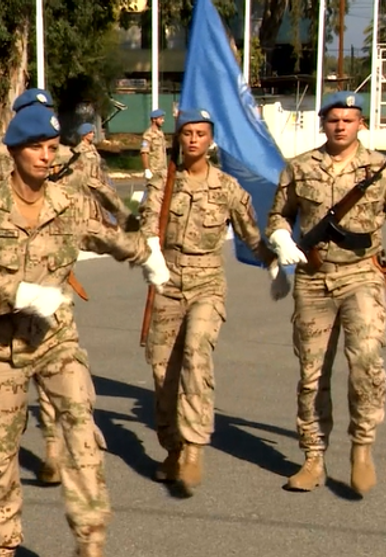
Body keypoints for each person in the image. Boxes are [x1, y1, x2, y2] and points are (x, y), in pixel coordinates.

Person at [0, 90, 170, 557]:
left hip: (56, 337)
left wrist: (148, 256)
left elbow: (106, 234)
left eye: (51, 147)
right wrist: (19, 294)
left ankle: (91, 542)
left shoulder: (68, 202)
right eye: (35, 147)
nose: (46, 156)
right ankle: (3, 543)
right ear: (13, 152)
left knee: (82, 430)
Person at [265, 91, 386, 497]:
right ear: (323, 122)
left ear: (361, 124)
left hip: (362, 277)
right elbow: (279, 214)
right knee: (311, 373)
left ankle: (362, 449)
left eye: (349, 119)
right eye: (334, 118)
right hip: (313, 279)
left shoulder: (384, 170)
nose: (340, 125)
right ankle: (314, 457)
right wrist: (281, 238)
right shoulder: (300, 168)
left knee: (367, 363)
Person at [139, 108, 280, 496]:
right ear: (179, 138)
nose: (194, 139)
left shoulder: (227, 188)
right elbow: (148, 225)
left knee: (196, 353)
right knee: (163, 371)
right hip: (167, 283)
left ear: (211, 139)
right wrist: (150, 251)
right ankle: (173, 448)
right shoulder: (164, 184)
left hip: (207, 283)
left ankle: (196, 446)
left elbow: (251, 235)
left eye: (201, 133)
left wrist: (273, 260)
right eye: (188, 133)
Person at [71, 122, 135, 229]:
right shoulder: (80, 150)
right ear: (84, 135)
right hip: (89, 183)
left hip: (99, 181)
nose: (93, 134)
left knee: (110, 202)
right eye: (90, 132)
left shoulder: (92, 147)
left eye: (93, 132)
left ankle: (121, 224)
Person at [140, 109, 167, 183]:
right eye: (161, 118)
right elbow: (144, 152)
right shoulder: (148, 134)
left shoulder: (160, 133)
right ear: (154, 119)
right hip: (154, 171)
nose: (163, 120)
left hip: (163, 171)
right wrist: (147, 169)